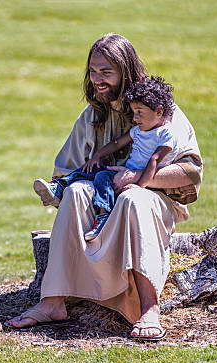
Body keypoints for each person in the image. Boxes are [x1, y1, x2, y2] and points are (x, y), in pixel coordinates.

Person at [7, 33, 203, 341]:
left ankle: (149, 307)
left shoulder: (162, 112)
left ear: (126, 71)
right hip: (104, 199)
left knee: (133, 200)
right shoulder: (92, 116)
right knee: (74, 192)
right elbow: (66, 168)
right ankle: (53, 301)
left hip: (151, 204)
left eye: (106, 72)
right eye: (94, 72)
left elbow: (191, 173)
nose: (98, 80)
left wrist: (139, 180)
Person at [34, 75, 178, 241]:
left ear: (159, 111)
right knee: (92, 168)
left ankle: (102, 216)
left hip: (139, 178)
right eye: (134, 113)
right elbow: (117, 143)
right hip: (124, 171)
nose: (135, 118)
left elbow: (155, 160)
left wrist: (139, 186)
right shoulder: (139, 130)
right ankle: (59, 186)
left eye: (139, 113)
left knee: (102, 177)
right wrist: (97, 156)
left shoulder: (166, 134)